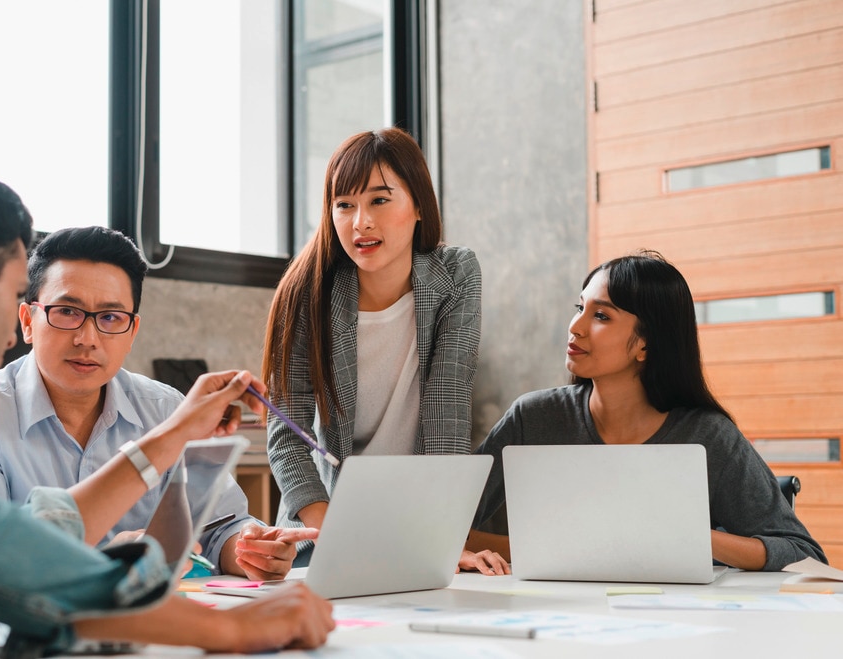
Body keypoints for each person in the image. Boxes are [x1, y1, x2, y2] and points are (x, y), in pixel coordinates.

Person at [0, 160, 333, 658]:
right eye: (17, 294)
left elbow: (24, 536)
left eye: (110, 318)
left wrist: (173, 437)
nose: (13, 336)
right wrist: (226, 631)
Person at [0, 226, 316, 580]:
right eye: (67, 311)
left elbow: (220, 528)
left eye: (111, 318)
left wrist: (252, 550)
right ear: (28, 321)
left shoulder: (165, 408)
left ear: (132, 332)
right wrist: (109, 559)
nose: (88, 338)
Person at [467, 251, 826, 571]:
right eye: (580, 308)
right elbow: (446, 529)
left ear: (645, 344)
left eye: (601, 316)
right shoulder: (533, 418)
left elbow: (802, 554)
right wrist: (552, 552)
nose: (575, 328)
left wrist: (687, 538)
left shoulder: (708, 436)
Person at [261, 127, 502, 574]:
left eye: (379, 200)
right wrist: (343, 539)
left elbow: (448, 407)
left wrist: (442, 541)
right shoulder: (306, 291)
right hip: (326, 527)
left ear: (417, 206)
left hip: (416, 527)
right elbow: (287, 436)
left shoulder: (456, 275)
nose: (361, 222)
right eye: (344, 205)